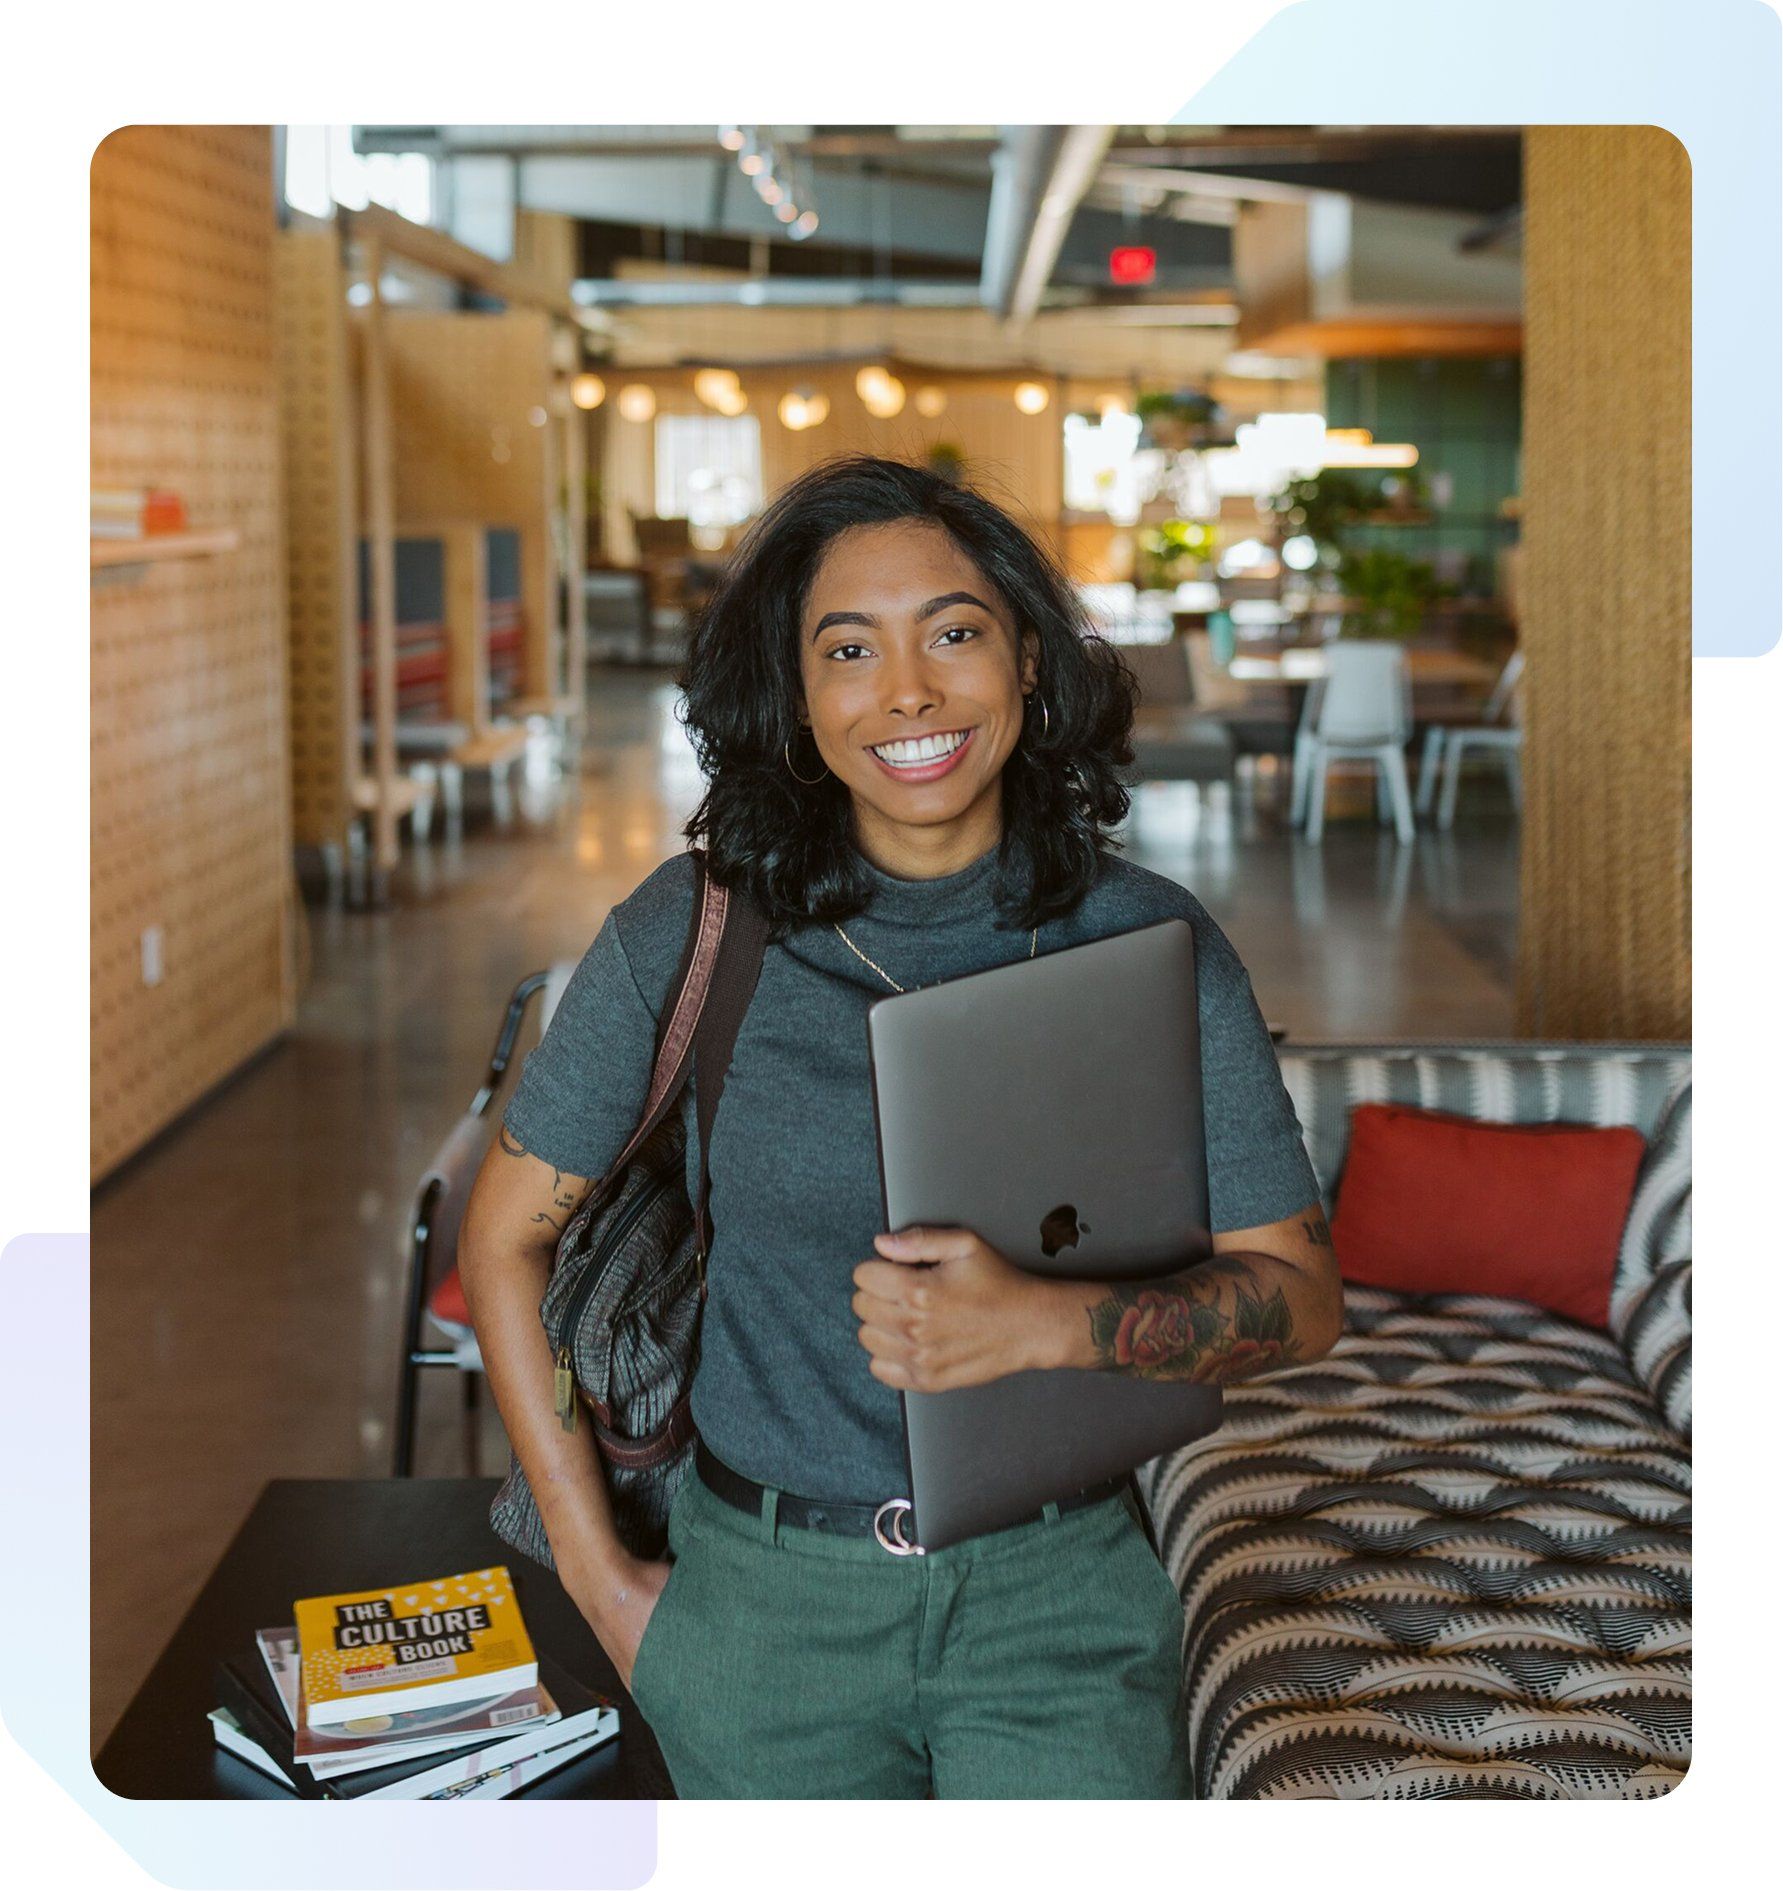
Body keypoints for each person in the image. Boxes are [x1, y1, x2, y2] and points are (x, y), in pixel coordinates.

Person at [459, 454, 1342, 1800]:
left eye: (956, 632)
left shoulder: (1153, 941)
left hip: (1063, 1602)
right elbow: (504, 1245)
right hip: (760, 1610)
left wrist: (1044, 1325)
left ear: (1031, 661)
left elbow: (1304, 1302)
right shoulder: (695, 930)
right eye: (850, 649)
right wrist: (606, 1586)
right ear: (798, 694)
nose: (910, 691)